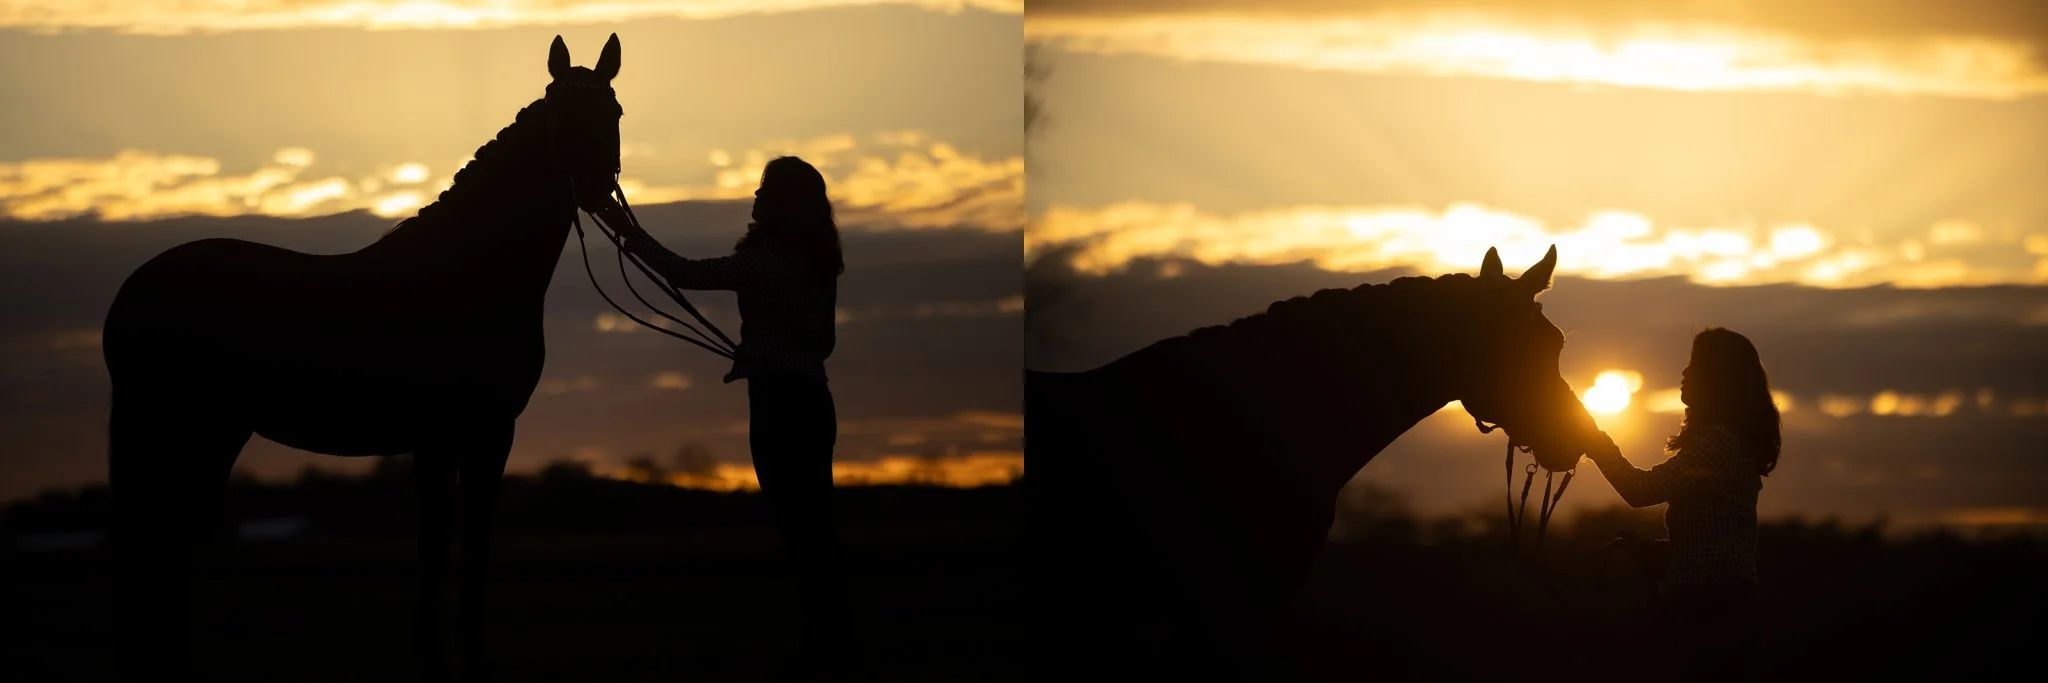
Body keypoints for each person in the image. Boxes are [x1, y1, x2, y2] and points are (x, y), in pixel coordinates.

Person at [592, 156, 853, 670]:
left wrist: (624, 228)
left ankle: (823, 644)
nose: (754, 198)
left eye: (763, 191)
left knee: (797, 527)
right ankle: (831, 639)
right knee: (814, 528)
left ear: (780, 203)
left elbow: (685, 274)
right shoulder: (817, 260)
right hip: (814, 403)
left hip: (779, 405)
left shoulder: (767, 262)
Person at [1584, 327, 1778, 683]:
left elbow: (1640, 490)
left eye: (1695, 365)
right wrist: (1658, 551)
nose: (1684, 373)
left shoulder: (1715, 442)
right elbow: (1716, 536)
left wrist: (1593, 440)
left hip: (1710, 608)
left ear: (1718, 379)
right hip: (1723, 602)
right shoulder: (1728, 440)